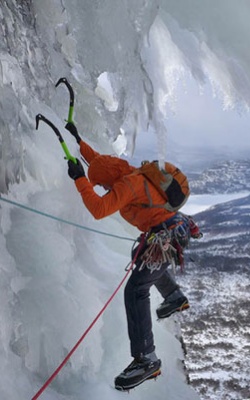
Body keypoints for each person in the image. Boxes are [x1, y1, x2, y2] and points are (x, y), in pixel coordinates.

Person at [65, 122, 194, 391]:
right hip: (173, 232)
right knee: (139, 254)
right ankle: (173, 296)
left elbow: (99, 209)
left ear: (109, 181)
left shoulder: (125, 185)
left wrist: (80, 180)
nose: (101, 187)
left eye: (101, 184)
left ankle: (146, 359)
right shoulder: (129, 171)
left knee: (136, 289)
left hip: (165, 239)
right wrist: (78, 139)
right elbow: (98, 161)